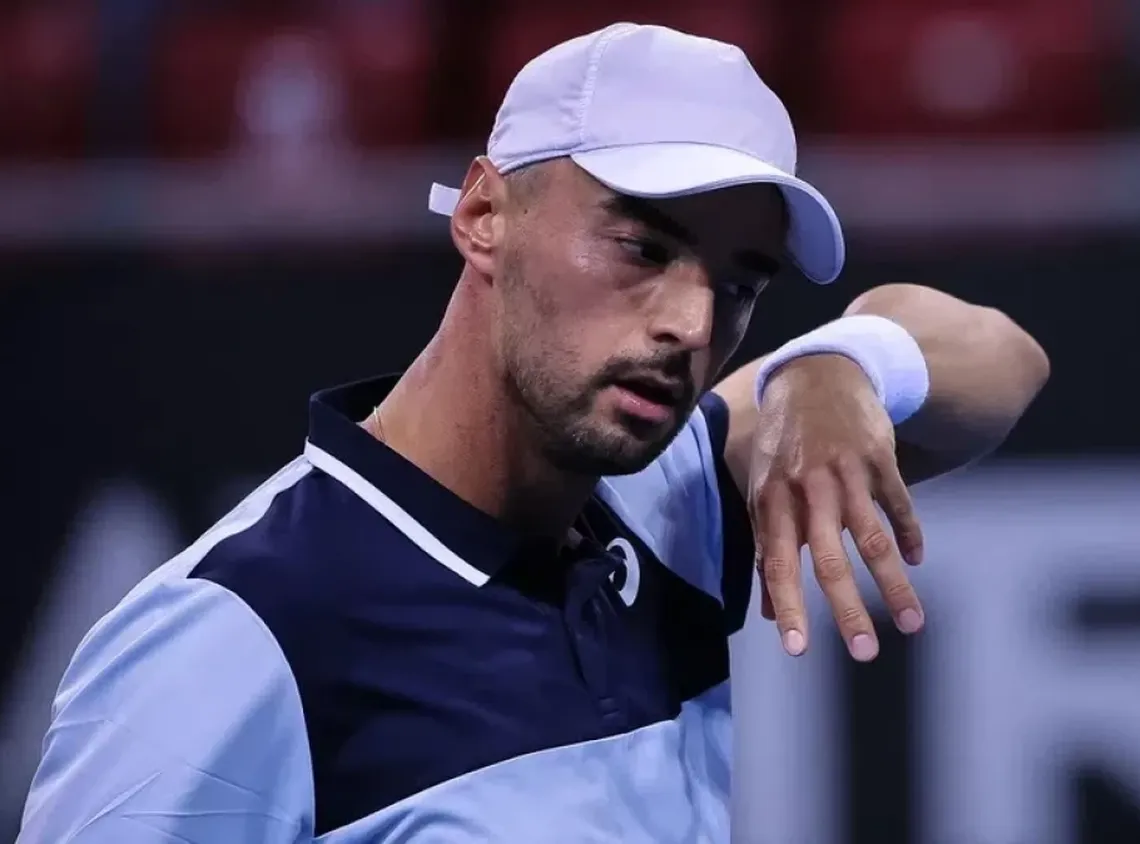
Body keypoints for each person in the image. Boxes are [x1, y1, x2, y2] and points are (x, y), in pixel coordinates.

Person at [19, 21, 1049, 844]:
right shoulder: (235, 635)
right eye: (641, 246)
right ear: (482, 215)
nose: (693, 326)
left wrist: (842, 365)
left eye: (739, 284)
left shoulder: (666, 501)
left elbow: (1005, 361)